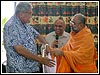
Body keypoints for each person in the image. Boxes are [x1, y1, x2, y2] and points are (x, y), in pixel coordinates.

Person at [3, 2, 55, 73]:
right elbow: (19, 49)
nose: (31, 16)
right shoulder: (11, 26)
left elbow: (37, 35)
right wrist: (40, 59)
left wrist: (46, 45)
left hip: (32, 67)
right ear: (21, 14)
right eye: (30, 13)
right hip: (20, 70)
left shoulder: (25, 24)